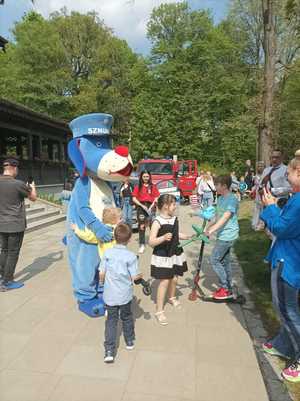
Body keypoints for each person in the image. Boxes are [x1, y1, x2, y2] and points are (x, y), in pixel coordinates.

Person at [260, 157, 300, 383]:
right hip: (288, 259)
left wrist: (271, 208)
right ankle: (284, 345)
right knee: (286, 306)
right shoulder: (296, 198)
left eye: (291, 171)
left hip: (289, 263)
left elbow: (282, 228)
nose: (286, 174)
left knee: (286, 309)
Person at [99, 223, 141, 363]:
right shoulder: (131, 256)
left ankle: (109, 350)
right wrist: (141, 276)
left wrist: (102, 284)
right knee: (127, 317)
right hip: (125, 295)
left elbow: (102, 273)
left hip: (110, 295)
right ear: (129, 239)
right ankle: (129, 340)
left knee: (111, 321)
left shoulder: (107, 253)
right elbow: (135, 277)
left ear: (115, 237)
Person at [149, 194, 190, 325]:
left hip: (175, 253)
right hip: (163, 254)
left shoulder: (174, 219)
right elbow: (151, 242)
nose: (175, 206)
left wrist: (190, 236)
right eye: (173, 204)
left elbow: (176, 235)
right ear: (166, 206)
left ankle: (172, 297)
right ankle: (159, 310)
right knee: (164, 282)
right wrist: (162, 238)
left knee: (175, 278)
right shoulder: (157, 221)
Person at [0, 158, 37, 291]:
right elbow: (33, 198)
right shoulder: (18, 184)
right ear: (14, 168)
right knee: (13, 253)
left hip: (1, 223)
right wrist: (32, 187)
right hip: (15, 223)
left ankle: (2, 276)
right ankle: (7, 281)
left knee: (4, 250)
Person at [204, 175, 239, 300]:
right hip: (222, 235)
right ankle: (228, 287)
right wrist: (207, 228)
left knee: (214, 259)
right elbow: (217, 217)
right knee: (224, 262)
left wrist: (211, 231)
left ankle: (224, 288)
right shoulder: (220, 199)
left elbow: (225, 218)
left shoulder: (232, 200)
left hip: (228, 235)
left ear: (224, 186)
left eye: (217, 185)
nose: (215, 187)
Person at [132, 170, 160, 254]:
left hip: (151, 207)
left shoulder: (153, 186)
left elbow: (157, 196)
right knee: (142, 226)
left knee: (153, 226)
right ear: (141, 177)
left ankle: (154, 243)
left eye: (147, 176)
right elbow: (134, 198)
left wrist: (152, 205)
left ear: (149, 177)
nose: (146, 178)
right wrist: (141, 205)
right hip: (141, 208)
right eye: (144, 176)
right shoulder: (137, 187)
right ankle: (142, 244)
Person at [251, 161, 265, 231]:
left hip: (264, 193)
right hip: (257, 194)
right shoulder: (255, 176)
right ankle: (255, 223)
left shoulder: (266, 175)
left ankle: (262, 224)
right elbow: (255, 185)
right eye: (259, 166)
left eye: (261, 166)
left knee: (263, 208)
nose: (260, 168)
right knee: (257, 209)